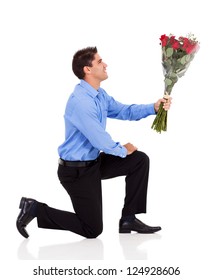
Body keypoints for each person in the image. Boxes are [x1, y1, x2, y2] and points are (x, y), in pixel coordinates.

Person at [16, 46, 171, 239]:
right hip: (75, 172)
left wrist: (154, 108)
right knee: (92, 229)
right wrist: (122, 149)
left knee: (139, 160)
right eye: (99, 61)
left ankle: (129, 219)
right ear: (87, 70)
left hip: (94, 164)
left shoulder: (100, 95)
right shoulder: (81, 101)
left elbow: (124, 111)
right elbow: (99, 139)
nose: (105, 64)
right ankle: (35, 208)